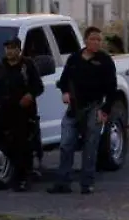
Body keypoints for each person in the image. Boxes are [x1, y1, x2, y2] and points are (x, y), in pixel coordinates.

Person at [48, 26, 117, 195]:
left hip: (94, 107)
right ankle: (63, 182)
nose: (96, 42)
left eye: (99, 40)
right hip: (74, 107)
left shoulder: (105, 61)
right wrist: (65, 92)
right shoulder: (74, 59)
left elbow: (112, 89)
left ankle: (87, 183)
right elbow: (64, 80)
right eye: (93, 39)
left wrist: (105, 110)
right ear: (85, 40)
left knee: (90, 146)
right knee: (66, 144)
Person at [0, 37, 44, 191]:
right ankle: (10, 175)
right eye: (7, 48)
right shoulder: (0, 66)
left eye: (13, 48)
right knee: (3, 143)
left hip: (24, 111)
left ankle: (24, 178)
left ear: (19, 49)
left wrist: (30, 95)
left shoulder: (27, 65)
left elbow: (38, 86)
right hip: (5, 109)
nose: (10, 51)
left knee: (23, 145)